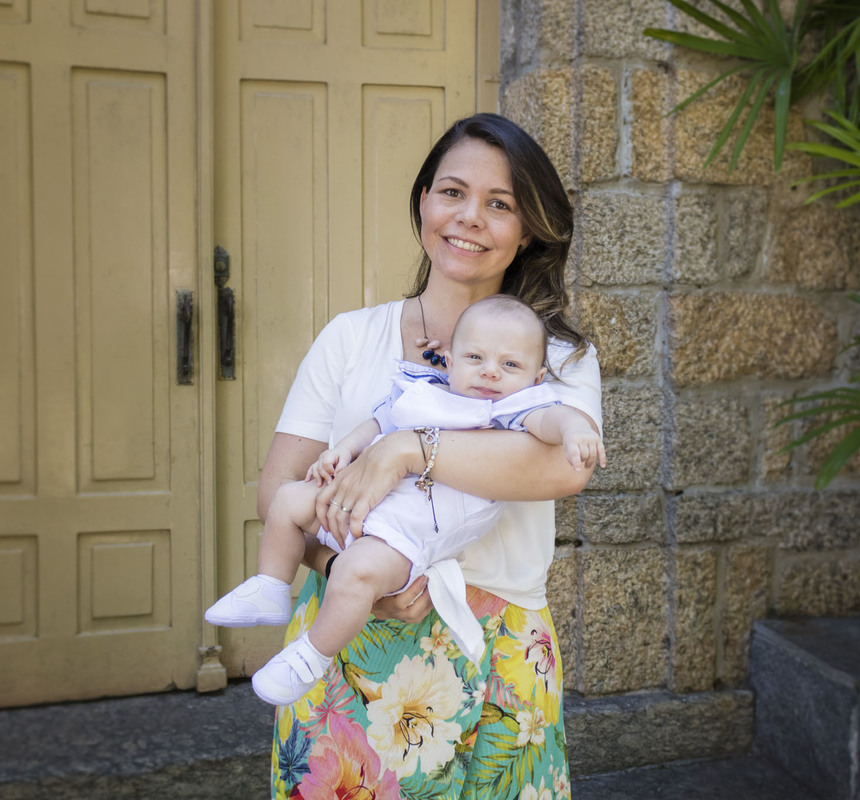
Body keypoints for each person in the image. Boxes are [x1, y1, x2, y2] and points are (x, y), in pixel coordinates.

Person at [256, 113, 601, 799]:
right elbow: (278, 490)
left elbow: (562, 467)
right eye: (452, 193)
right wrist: (344, 570)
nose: (469, 217)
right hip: (350, 639)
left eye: (499, 204)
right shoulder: (351, 338)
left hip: (500, 645)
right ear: (423, 203)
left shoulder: (557, 357)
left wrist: (407, 450)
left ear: (527, 229)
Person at [206, 294, 604, 706]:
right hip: (352, 509)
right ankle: (271, 586)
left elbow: (552, 419)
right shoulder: (423, 390)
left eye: (511, 365)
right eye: (475, 358)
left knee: (357, 570)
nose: (490, 371)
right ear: (449, 361)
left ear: (537, 379)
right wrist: (342, 451)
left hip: (405, 537)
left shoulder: (511, 409)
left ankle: (309, 658)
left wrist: (575, 430)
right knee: (289, 500)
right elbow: (379, 421)